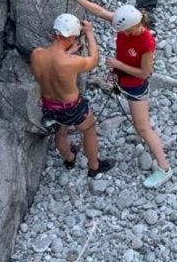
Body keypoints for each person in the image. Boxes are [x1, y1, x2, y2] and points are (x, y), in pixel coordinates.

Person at [66, 0, 172, 189]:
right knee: (139, 124)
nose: (122, 34)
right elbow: (100, 12)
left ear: (134, 26)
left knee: (143, 128)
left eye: (125, 32)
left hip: (136, 87)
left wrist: (118, 65)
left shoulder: (146, 42)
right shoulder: (126, 23)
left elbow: (144, 73)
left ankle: (164, 168)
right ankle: (141, 131)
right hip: (122, 81)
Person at [30, 13, 114, 177]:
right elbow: (94, 60)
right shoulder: (71, 62)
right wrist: (89, 33)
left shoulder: (36, 54)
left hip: (49, 106)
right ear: (70, 37)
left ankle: (69, 159)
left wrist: (69, 52)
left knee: (61, 132)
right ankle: (94, 166)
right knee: (89, 130)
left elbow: (54, 64)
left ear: (55, 33)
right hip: (72, 108)